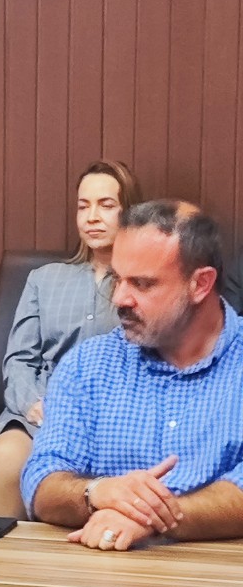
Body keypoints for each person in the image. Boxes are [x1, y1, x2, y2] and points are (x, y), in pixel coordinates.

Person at [22, 202, 243, 550]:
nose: (120, 298)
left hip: (219, 574)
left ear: (200, 284)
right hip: (99, 567)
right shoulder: (87, 365)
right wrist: (96, 492)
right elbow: (41, 482)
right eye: (116, 279)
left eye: (142, 283)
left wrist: (152, 517)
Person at [0, 160, 142, 518]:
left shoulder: (145, 284)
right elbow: (20, 360)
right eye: (83, 206)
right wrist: (33, 404)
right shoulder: (44, 279)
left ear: (130, 212)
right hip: (42, 414)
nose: (92, 217)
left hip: (117, 418)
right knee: (7, 455)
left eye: (106, 205)